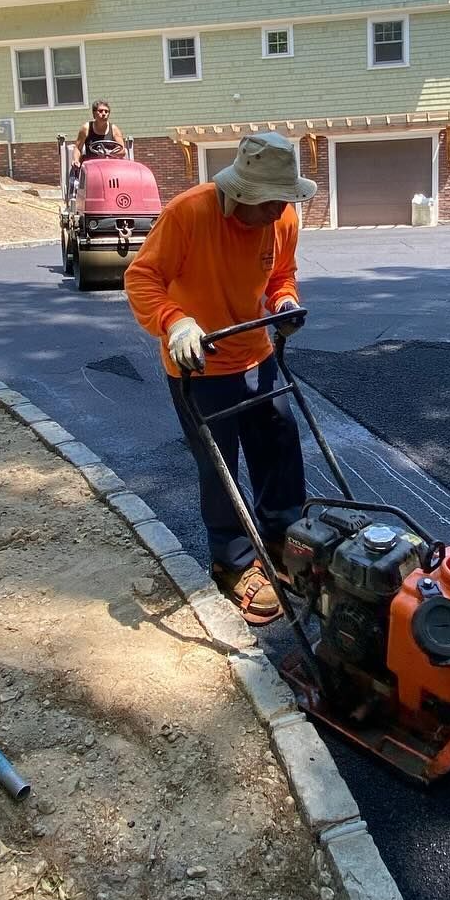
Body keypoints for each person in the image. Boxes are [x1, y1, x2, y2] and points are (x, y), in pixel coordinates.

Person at [125, 132, 315, 623]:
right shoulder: (189, 215)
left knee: (280, 445)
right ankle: (231, 563)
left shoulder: (283, 217)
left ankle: (284, 538)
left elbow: (280, 276)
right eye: (270, 201)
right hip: (198, 365)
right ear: (241, 193)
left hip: (256, 353)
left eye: (285, 199)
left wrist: (285, 304)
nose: (279, 211)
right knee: (220, 465)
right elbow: (142, 277)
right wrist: (175, 321)